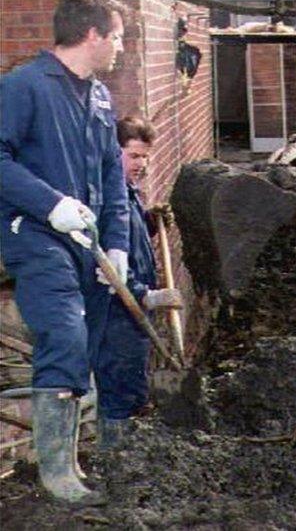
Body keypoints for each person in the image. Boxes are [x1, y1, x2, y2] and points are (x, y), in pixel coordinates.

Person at [0, 0, 130, 505]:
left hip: (88, 242)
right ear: (92, 35)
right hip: (35, 234)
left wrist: (117, 245)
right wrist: (49, 202)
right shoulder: (23, 88)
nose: (121, 47)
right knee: (64, 332)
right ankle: (58, 475)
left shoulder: (99, 97)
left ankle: (74, 456)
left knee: (91, 341)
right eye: (117, 37)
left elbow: (112, 179)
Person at [88, 117, 182, 450]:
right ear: (114, 155)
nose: (141, 164)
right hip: (115, 317)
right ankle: (116, 465)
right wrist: (148, 296)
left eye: (145, 157)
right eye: (133, 156)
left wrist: (149, 222)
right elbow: (106, 263)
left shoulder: (128, 195)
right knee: (120, 395)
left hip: (133, 320)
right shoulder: (102, 203)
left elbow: (131, 245)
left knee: (132, 389)